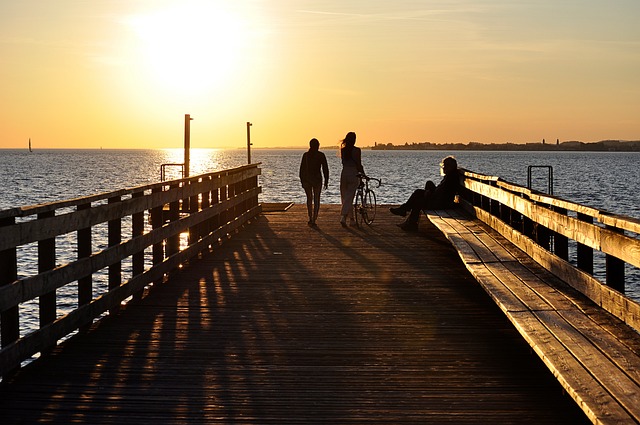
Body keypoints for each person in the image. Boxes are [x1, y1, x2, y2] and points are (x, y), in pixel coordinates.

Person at [390, 156, 460, 231]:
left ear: (450, 167)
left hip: (441, 203)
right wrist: (430, 192)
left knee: (418, 201)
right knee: (423, 188)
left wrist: (430, 194)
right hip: (439, 199)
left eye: (445, 166)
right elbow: (440, 192)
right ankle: (405, 211)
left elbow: (442, 194)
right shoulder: (450, 176)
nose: (443, 168)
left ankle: (410, 221)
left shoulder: (451, 178)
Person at [299, 138, 329, 226]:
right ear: (318, 146)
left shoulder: (306, 155)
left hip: (307, 180)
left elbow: (302, 169)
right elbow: (325, 169)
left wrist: (302, 180)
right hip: (317, 180)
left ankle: (310, 217)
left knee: (309, 199)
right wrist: (326, 180)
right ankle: (314, 218)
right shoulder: (321, 155)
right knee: (316, 199)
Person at [339, 131, 364, 226]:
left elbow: (343, 162)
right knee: (349, 196)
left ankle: (351, 219)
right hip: (353, 173)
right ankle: (344, 216)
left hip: (344, 172)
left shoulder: (343, 150)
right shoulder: (357, 150)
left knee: (345, 197)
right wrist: (362, 174)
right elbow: (358, 164)